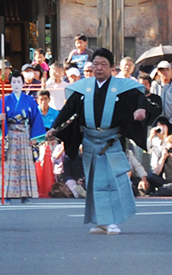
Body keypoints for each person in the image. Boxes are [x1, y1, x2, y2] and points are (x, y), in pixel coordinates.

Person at [47, 48, 148, 234]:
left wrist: (140, 110)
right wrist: (54, 127)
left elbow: (140, 99)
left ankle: (113, 221)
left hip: (111, 140)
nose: (99, 68)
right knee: (95, 183)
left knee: (112, 182)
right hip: (90, 141)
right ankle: (101, 221)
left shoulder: (123, 87)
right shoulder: (84, 88)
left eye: (103, 64)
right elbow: (68, 109)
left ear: (111, 67)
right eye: (96, 64)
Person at [0, 70, 46, 204]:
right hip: (10, 135)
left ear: (23, 84)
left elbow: (36, 119)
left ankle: (26, 194)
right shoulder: (4, 100)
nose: (16, 84)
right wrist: (0, 119)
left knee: (25, 164)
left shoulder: (29, 100)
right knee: (9, 164)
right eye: (14, 82)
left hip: (24, 135)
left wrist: (34, 137)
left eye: (19, 82)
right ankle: (7, 193)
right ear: (10, 84)